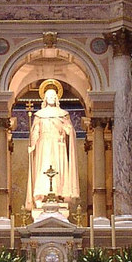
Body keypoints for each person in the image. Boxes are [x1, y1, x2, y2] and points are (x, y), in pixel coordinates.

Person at [26, 79, 79, 210]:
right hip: (43, 146)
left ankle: (59, 194)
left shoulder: (63, 114)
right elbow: (35, 131)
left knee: (59, 169)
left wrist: (68, 131)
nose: (50, 98)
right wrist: (32, 143)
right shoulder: (39, 115)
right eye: (48, 96)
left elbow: (70, 131)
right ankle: (41, 195)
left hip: (58, 145)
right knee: (43, 169)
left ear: (56, 98)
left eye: (53, 96)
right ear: (44, 98)